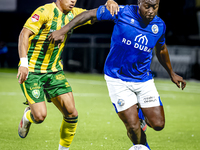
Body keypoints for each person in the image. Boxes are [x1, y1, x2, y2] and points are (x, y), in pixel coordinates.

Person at [48, 0, 187, 149]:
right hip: (117, 78)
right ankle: (143, 147)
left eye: (155, 7)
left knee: (158, 125)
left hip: (143, 79)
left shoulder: (159, 26)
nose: (151, 11)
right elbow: (88, 15)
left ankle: (140, 115)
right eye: (147, 6)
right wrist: (62, 30)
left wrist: (171, 73)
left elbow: (161, 49)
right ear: (139, 2)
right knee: (133, 127)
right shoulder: (121, 12)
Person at [17, 0, 119, 150]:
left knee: (72, 114)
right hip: (32, 71)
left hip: (54, 71)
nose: (73, 1)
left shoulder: (74, 14)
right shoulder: (44, 11)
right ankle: (27, 117)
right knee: (39, 117)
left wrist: (108, 3)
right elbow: (24, 34)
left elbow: (93, 15)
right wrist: (24, 64)